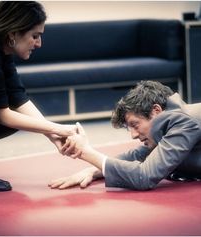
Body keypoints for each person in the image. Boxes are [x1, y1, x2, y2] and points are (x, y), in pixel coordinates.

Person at [0, 1, 77, 192]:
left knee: (20, 117)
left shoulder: (1, 48)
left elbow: (18, 98)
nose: (39, 43)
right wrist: (61, 129)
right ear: (13, 33)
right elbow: (2, 115)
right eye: (35, 36)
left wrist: (53, 136)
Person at [49, 81, 201, 190]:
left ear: (156, 111)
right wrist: (92, 170)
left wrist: (86, 152)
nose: (133, 135)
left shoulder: (184, 121)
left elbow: (145, 176)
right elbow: (138, 155)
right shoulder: (170, 125)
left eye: (135, 125)